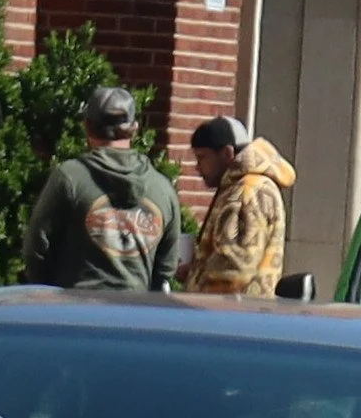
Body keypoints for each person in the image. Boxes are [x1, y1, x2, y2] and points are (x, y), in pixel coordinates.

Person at [22, 86, 181, 291]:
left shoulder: (70, 178)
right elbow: (165, 270)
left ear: (87, 126)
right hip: (136, 308)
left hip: (75, 306)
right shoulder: (162, 188)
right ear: (134, 128)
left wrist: (46, 292)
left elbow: (37, 248)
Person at [182, 116, 296, 297]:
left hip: (232, 308)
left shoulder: (246, 192)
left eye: (202, 157)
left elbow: (235, 269)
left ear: (227, 153)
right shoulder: (244, 186)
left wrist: (197, 280)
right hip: (243, 308)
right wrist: (194, 272)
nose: (197, 167)